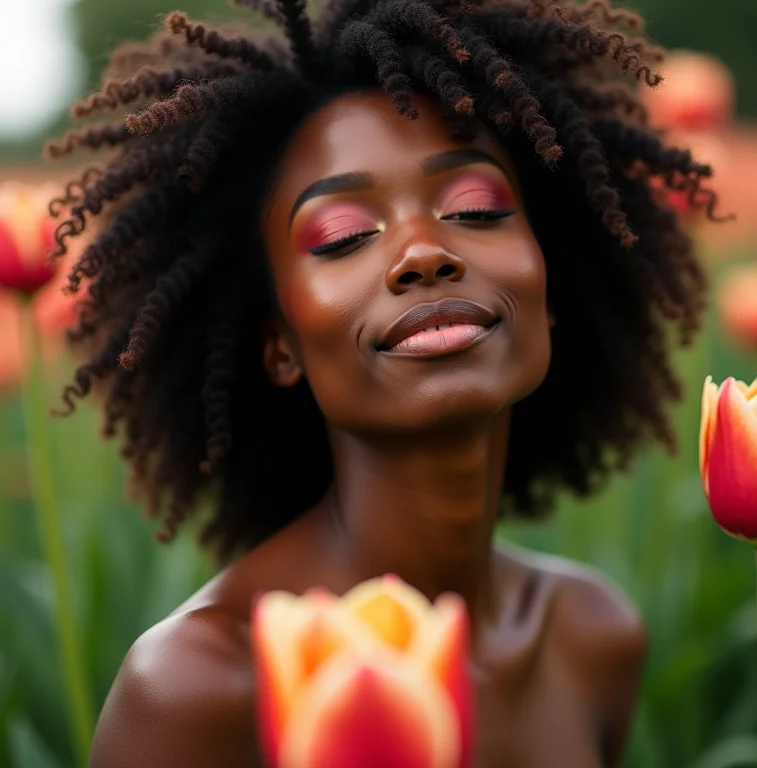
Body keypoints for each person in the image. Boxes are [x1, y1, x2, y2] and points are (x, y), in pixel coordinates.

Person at [47, 0, 720, 764]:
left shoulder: (590, 635)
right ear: (278, 343)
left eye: (475, 208)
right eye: (343, 237)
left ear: (553, 282)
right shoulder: (202, 688)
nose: (422, 252)